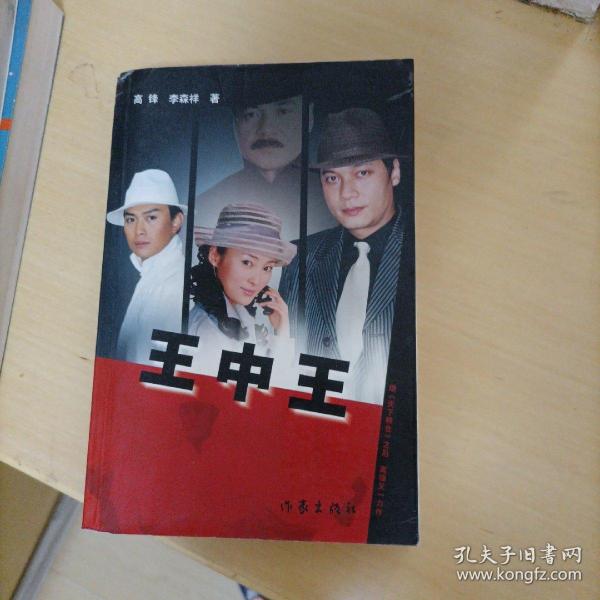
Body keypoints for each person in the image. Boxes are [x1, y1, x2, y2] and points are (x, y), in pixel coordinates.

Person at [279, 108, 405, 405]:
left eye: (362, 173)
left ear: (394, 173)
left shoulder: (424, 253)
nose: (347, 193)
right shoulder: (301, 258)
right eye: (332, 178)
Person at [195, 72, 335, 259]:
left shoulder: (343, 201)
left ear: (308, 117)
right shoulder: (203, 206)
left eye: (283, 112)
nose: (266, 128)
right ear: (235, 125)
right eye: (251, 114)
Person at [188, 203, 297, 380]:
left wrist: (282, 330)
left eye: (267, 267)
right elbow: (272, 388)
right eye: (247, 262)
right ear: (214, 256)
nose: (256, 280)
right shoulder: (208, 330)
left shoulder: (236, 314)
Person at [106, 169, 187, 364]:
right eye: (130, 219)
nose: (139, 231)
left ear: (176, 221)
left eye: (151, 218)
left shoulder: (175, 286)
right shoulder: (150, 276)